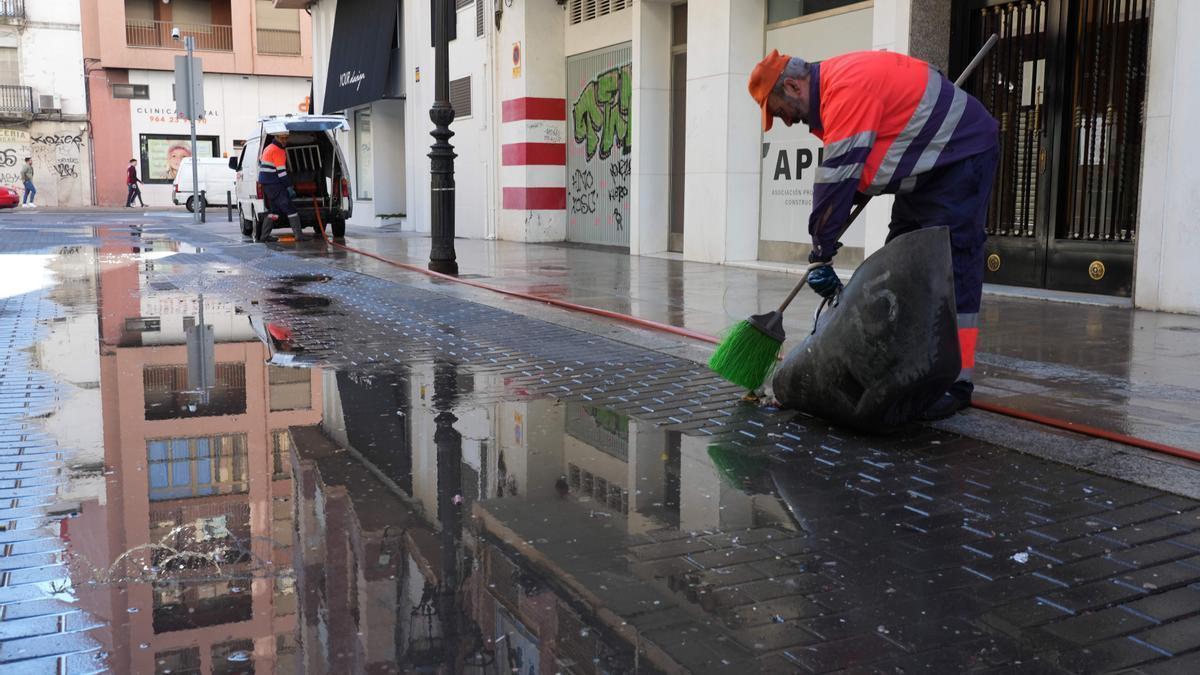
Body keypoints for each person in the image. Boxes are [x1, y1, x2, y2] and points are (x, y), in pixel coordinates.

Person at [748, 49, 1000, 420]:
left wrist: (821, 250)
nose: (784, 122)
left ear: (792, 85)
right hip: (926, 170)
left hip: (961, 159)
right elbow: (861, 161)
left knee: (952, 266)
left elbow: (835, 179)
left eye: (779, 110)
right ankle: (906, 362)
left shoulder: (844, 89)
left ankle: (956, 383)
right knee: (904, 260)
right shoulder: (836, 88)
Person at [256, 131, 307, 242]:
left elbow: (262, 165)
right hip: (275, 185)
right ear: (276, 137)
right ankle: (299, 236)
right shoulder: (278, 150)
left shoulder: (268, 147)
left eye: (286, 138)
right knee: (291, 209)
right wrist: (289, 187)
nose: (284, 140)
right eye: (282, 138)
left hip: (267, 185)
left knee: (274, 211)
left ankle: (264, 237)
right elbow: (282, 173)